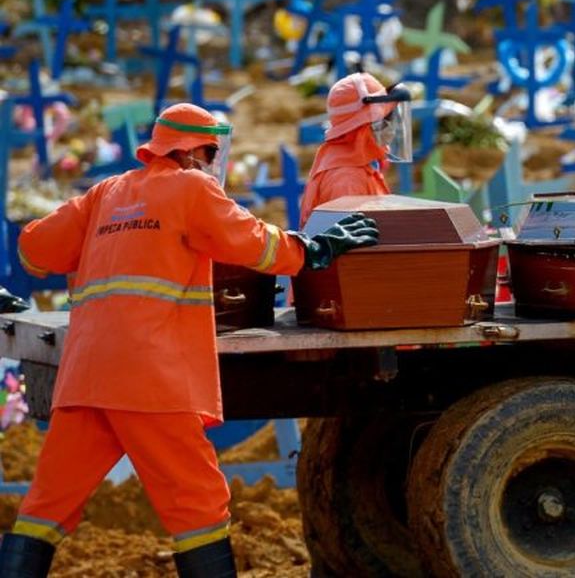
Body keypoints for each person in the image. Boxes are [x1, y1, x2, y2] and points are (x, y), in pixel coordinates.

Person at [0, 103, 380, 578]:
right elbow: (253, 242)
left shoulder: (104, 193)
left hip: (86, 378)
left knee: (45, 508)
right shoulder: (192, 188)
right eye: (212, 153)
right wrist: (315, 248)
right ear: (192, 151)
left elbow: (34, 250)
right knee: (199, 505)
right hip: (151, 380)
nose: (213, 163)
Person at [298, 73, 412, 225]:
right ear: (360, 128)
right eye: (384, 119)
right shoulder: (347, 180)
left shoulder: (360, 162)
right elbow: (351, 238)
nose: (392, 128)